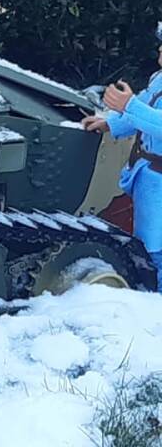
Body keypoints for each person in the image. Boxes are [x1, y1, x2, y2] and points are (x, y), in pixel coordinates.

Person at [82, 25, 162, 289]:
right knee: (147, 243)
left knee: (157, 248)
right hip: (149, 174)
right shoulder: (159, 79)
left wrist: (129, 105)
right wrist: (111, 123)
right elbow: (144, 107)